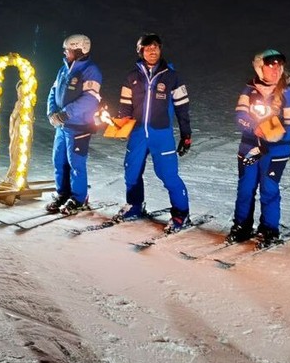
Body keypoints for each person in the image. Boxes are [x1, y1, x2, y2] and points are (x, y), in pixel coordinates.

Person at [115, 33, 194, 233]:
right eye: (148, 48)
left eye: (156, 47)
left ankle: (181, 214)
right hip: (138, 133)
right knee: (131, 171)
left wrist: (186, 134)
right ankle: (135, 205)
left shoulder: (172, 77)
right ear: (140, 51)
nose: (152, 51)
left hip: (161, 134)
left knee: (168, 174)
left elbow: (182, 108)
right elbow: (125, 106)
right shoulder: (132, 77)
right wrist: (122, 124)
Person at [227, 49, 290, 248]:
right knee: (246, 187)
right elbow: (240, 117)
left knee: (269, 189)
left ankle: (269, 229)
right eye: (270, 67)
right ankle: (242, 225)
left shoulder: (287, 93)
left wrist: (278, 134)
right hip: (250, 147)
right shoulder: (249, 90)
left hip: (276, 152)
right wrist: (254, 127)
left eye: (279, 67)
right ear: (260, 69)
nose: (275, 71)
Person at [45, 34, 103, 215]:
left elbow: (90, 99)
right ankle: (63, 193)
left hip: (79, 126)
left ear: (79, 50)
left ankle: (79, 198)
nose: (65, 52)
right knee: (59, 161)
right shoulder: (64, 69)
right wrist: (52, 112)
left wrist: (65, 114)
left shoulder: (90, 71)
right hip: (62, 127)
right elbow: (53, 91)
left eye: (68, 50)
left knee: (76, 163)